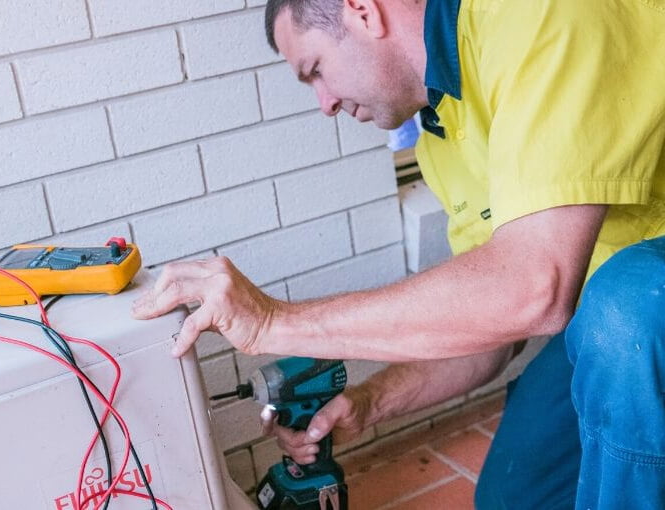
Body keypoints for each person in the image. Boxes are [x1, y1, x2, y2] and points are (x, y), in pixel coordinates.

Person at [132, 0, 665, 507]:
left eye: (315, 69)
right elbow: (495, 321)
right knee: (513, 493)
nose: (326, 104)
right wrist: (370, 401)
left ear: (363, 10)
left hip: (631, 314)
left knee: (628, 305)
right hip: (610, 326)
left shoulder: (536, 16)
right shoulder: (442, 136)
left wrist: (271, 321)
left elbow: (534, 290)